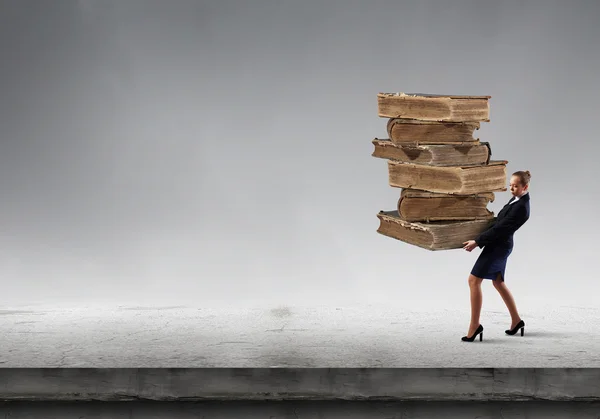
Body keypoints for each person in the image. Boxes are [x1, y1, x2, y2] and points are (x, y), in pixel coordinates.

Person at [460, 170, 531, 342]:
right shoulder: (516, 200)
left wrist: (477, 241)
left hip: (499, 247)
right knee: (498, 282)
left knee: (473, 280)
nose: (512, 189)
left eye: (516, 186)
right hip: (500, 245)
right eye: (511, 185)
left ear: (525, 187)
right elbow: (499, 221)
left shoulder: (521, 207)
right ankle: (517, 321)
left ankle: (475, 325)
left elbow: (501, 229)